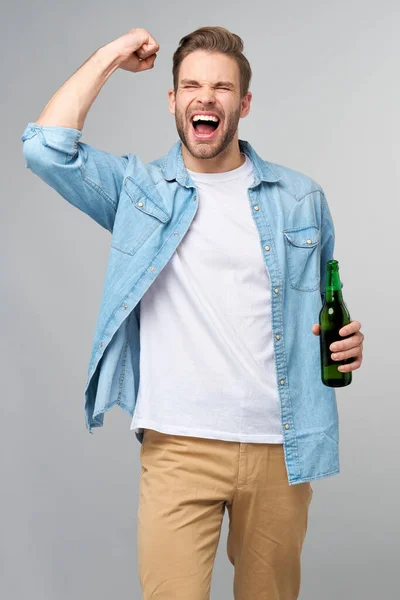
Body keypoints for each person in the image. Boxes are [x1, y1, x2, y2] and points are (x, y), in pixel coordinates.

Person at [21, 26, 364, 600]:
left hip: (281, 445)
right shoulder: (140, 191)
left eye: (222, 87)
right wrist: (109, 57)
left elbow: (318, 312)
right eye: (192, 86)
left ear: (243, 103)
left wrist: (346, 342)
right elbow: (45, 148)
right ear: (174, 100)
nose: (206, 97)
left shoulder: (301, 198)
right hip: (178, 445)